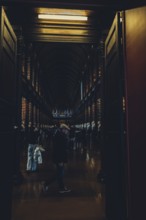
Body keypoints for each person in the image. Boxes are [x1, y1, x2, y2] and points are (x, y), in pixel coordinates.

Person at [52, 123, 71, 193]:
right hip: (60, 158)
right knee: (60, 174)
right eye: (66, 130)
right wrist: (60, 160)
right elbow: (59, 149)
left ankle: (62, 187)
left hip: (60, 158)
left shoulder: (60, 135)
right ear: (63, 129)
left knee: (59, 173)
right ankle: (61, 188)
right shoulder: (60, 136)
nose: (67, 132)